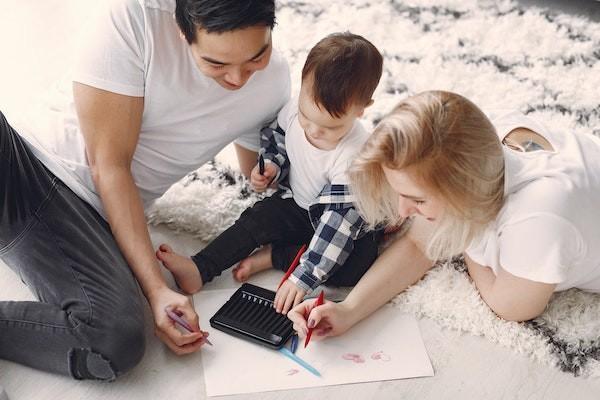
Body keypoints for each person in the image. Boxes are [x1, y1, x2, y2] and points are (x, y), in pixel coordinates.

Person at [0, 0, 289, 380]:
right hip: (26, 162)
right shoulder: (133, 18)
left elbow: (257, 170)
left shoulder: (274, 83)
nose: (237, 78)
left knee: (113, 339)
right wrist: (156, 288)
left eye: (257, 55)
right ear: (183, 32)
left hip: (87, 219)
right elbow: (109, 166)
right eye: (216, 64)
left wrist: (275, 172)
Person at [287, 90, 600, 340]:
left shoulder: (539, 221)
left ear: (464, 193)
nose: (403, 212)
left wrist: (465, 238)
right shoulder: (480, 138)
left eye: (418, 201)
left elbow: (512, 306)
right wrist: (349, 309)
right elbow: (419, 245)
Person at [157, 32, 384, 314]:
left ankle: (276, 256)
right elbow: (278, 137)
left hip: (344, 222)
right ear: (302, 88)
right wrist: (273, 166)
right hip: (300, 205)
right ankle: (200, 267)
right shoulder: (293, 110)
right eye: (306, 117)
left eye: (329, 128)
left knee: (354, 268)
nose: (312, 131)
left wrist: (303, 278)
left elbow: (336, 227)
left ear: (363, 109)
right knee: (256, 219)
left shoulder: (355, 159)